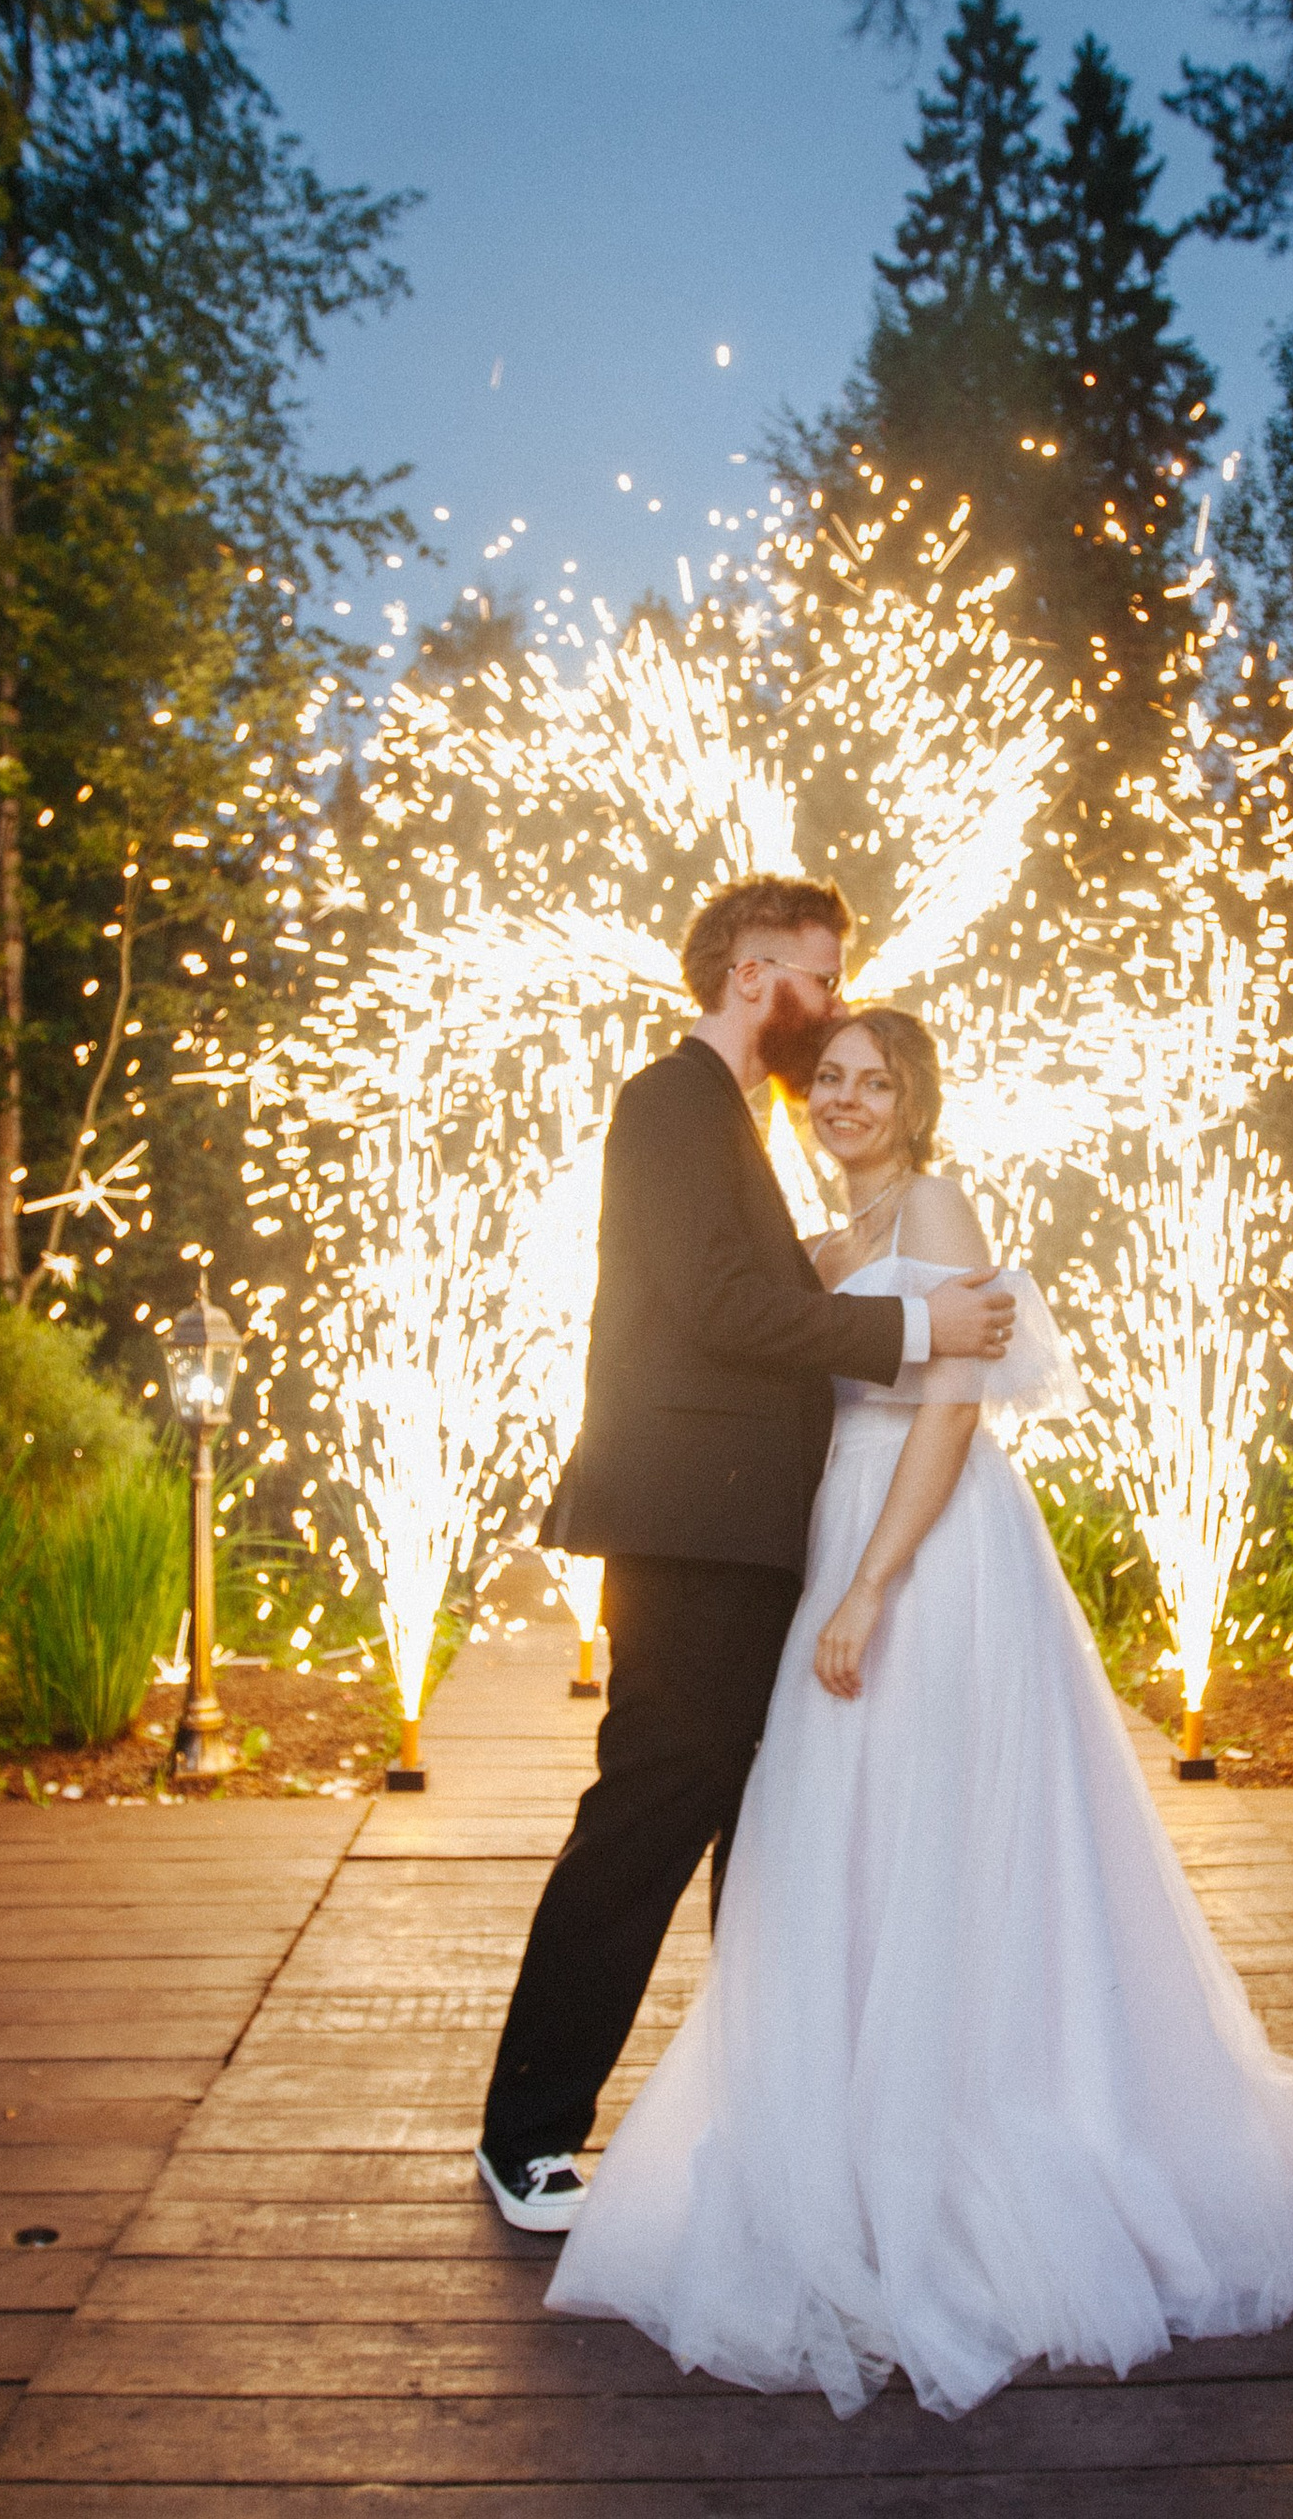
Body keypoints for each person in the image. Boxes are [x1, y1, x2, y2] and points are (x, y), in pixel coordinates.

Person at [542, 1006, 1293, 2417]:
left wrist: (867, 1587)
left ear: (916, 1100)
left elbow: (949, 1408)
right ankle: (859, 2125)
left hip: (925, 1550)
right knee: (842, 1832)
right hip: (840, 1532)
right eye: (835, 1083)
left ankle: (976, 2125)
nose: (850, 1100)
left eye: (878, 1081)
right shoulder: (829, 1239)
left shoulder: (935, 1200)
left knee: (939, 1824)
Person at [475, 878, 1017, 2235]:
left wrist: (858, 1264)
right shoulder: (667, 1104)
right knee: (652, 1809)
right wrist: (914, 1332)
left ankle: (766, 2117)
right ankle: (528, 2134)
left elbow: (761, 1285)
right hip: (692, 1526)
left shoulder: (734, 1126)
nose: (832, 1007)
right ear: (752, 969)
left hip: (754, 1529)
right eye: (818, 982)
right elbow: (720, 1309)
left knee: (755, 1831)